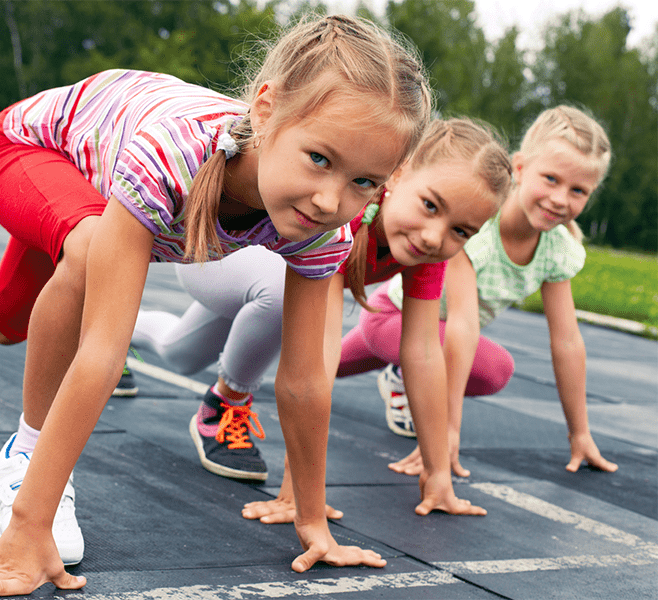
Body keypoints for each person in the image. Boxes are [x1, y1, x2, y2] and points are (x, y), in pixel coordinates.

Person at [0, 14, 434, 597]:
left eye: (364, 182)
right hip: (26, 150)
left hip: (88, 188)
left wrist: (311, 518)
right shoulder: (175, 157)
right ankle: (26, 465)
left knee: (4, 317)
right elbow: (102, 351)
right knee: (87, 253)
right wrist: (29, 527)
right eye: (319, 158)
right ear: (266, 111)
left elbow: (303, 380)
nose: (329, 199)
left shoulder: (323, 230)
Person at [132, 118, 512, 521]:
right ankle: (225, 402)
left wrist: (438, 476)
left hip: (254, 281)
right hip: (212, 255)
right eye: (430, 206)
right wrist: (296, 494)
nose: (436, 236)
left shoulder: (426, 250)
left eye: (461, 231)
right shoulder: (342, 218)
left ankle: (130, 334)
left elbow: (422, 353)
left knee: (179, 352)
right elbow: (317, 360)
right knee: (285, 299)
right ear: (398, 176)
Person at [366, 105, 618, 479]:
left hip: (430, 336)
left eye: (578, 190)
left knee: (330, 362)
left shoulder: (557, 249)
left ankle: (397, 373)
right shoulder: (476, 225)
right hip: (396, 318)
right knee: (489, 365)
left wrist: (579, 433)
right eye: (550, 179)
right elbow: (463, 325)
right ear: (519, 168)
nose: (561, 198)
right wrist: (445, 429)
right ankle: (404, 374)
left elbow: (567, 342)